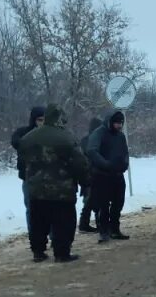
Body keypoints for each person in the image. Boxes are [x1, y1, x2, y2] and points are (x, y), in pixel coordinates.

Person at [19, 104, 90, 263]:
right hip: (62, 191)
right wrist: (85, 180)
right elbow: (79, 162)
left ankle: (38, 251)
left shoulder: (29, 137)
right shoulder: (66, 137)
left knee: (38, 222)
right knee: (63, 223)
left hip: (36, 190)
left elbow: (22, 158)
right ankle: (62, 253)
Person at [86, 110, 130, 243]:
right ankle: (104, 231)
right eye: (117, 123)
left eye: (121, 123)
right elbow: (92, 151)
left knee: (118, 203)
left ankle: (115, 229)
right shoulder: (99, 133)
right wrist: (106, 164)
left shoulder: (120, 136)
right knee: (103, 205)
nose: (119, 126)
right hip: (102, 175)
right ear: (110, 121)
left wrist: (125, 165)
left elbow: (125, 152)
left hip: (117, 175)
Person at [11, 107, 46, 232]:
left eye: (44, 120)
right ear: (34, 120)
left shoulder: (50, 134)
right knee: (31, 208)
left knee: (50, 209)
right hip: (29, 177)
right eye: (39, 120)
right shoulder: (23, 132)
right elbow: (15, 141)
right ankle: (34, 236)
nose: (42, 122)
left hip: (48, 178)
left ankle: (53, 238)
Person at [77, 116, 103, 233]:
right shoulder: (97, 140)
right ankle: (99, 223)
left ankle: (84, 223)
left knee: (88, 201)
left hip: (85, 173)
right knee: (97, 200)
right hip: (94, 173)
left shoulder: (84, 140)